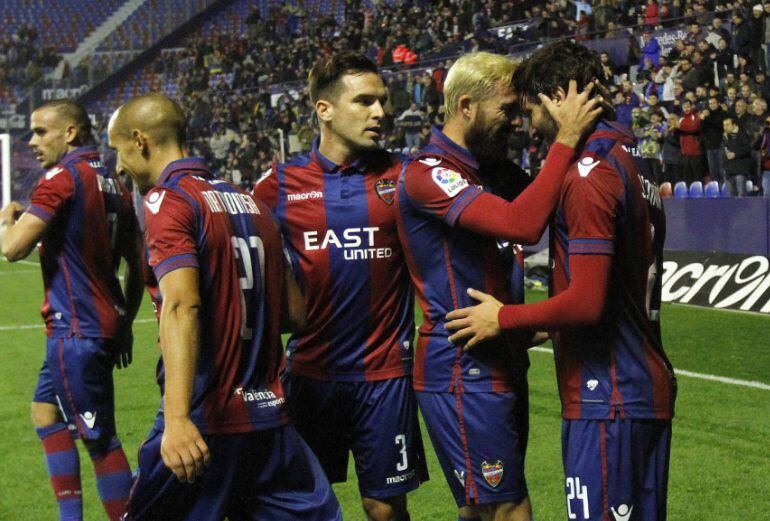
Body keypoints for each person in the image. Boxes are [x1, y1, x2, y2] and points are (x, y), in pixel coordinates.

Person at [445, 40, 677, 521]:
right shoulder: (634, 160)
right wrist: (540, 326)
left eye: (530, 108)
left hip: (607, 396)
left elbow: (587, 303)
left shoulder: (589, 174)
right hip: (642, 385)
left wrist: (504, 318)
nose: (527, 124)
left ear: (557, 99)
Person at [108, 93, 341, 520]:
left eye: (118, 151)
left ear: (140, 141)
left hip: (204, 421)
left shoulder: (168, 201)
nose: (118, 167)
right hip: (269, 421)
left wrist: (177, 419)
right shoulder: (250, 201)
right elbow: (295, 314)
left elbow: (182, 306)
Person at [395, 51, 601, 521]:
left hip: (503, 358)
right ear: (466, 106)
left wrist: (527, 318)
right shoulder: (430, 173)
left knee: (482, 508)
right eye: (507, 110)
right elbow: (522, 223)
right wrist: (565, 138)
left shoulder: (498, 173)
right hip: (462, 366)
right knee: (508, 507)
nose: (516, 123)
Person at [253, 51, 426, 521]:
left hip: (385, 376)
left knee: (385, 509)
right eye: (365, 101)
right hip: (309, 375)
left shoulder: (405, 175)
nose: (381, 113)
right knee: (299, 505)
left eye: (383, 101)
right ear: (324, 109)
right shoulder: (278, 186)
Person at [0, 99, 143, 520]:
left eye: (41, 131)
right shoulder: (114, 182)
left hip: (75, 331)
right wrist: (126, 323)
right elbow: (138, 265)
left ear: (70, 133)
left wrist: (8, 217)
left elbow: (12, 248)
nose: (31, 142)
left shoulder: (60, 178)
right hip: (97, 324)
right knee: (44, 410)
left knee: (101, 441)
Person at [723, 116, 753, 196]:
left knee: (741, 199)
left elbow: (747, 149)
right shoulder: (725, 137)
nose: (725, 127)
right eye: (724, 125)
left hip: (740, 171)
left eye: (727, 124)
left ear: (734, 125)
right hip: (729, 172)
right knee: (730, 200)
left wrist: (735, 154)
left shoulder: (742, 135)